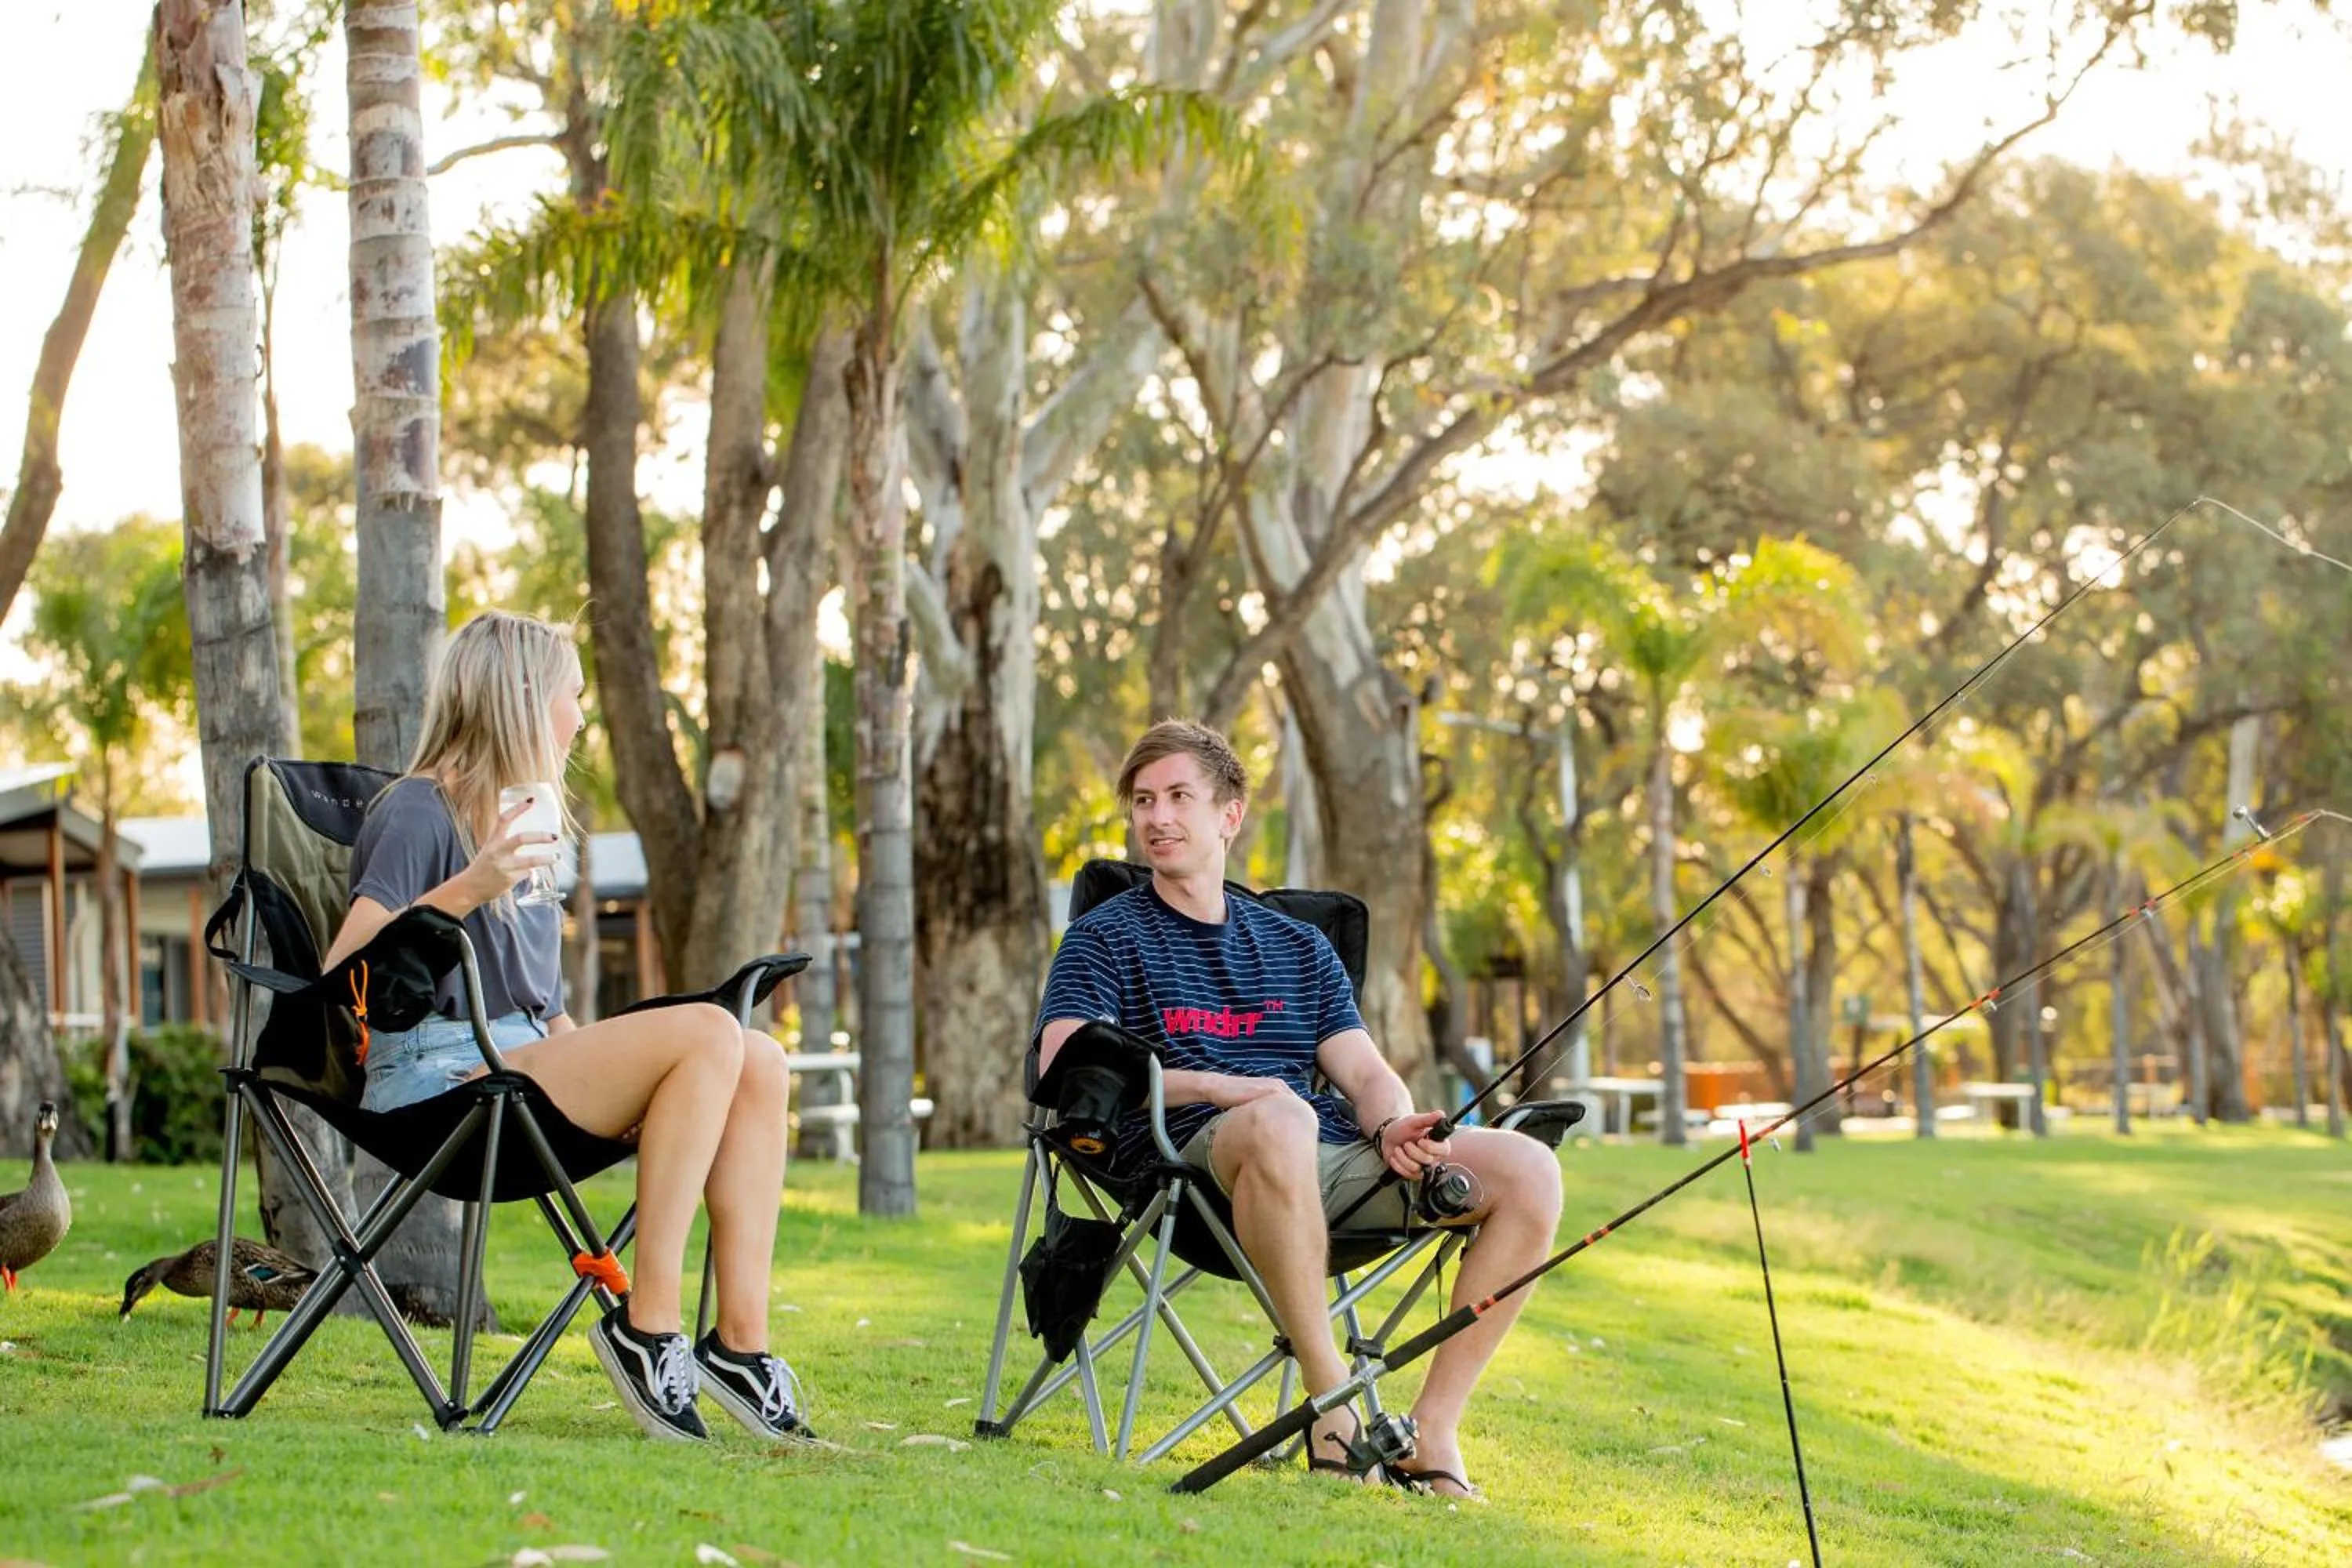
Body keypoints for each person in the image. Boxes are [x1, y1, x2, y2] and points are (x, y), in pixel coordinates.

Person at [1033, 720, 1563, 1497]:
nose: (1158, 817)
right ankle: (1335, 1409)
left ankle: (1434, 1429)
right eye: (1144, 800)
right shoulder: (1103, 936)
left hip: (1322, 1159)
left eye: (1180, 795)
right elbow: (1062, 1063)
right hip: (1189, 1169)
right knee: (1284, 1115)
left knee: (1529, 1167)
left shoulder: (1298, 946)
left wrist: (1392, 1124)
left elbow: (1366, 1071)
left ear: (1230, 813)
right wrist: (1220, 1086)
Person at [320, 610, 806, 1445]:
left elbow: (545, 1010)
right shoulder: (417, 811)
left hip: (521, 1067)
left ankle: (740, 1346)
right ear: (519, 698)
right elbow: (346, 971)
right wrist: (471, 885)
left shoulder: (538, 828)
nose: (581, 716)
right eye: (570, 694)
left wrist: (635, 1078)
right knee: (710, 1033)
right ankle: (645, 1326)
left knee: (757, 1056)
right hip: (437, 1085)